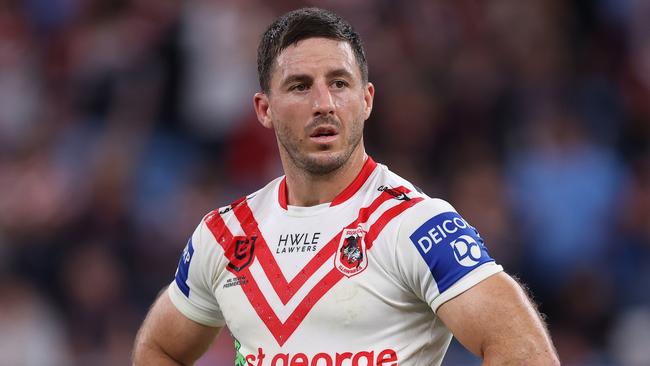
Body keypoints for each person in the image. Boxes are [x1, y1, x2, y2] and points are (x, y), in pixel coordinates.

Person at [133, 7, 559, 366]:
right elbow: (160, 348)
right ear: (264, 109)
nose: (324, 104)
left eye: (339, 83)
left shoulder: (415, 225)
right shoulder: (225, 236)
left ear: (367, 99)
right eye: (300, 86)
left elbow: (525, 351)